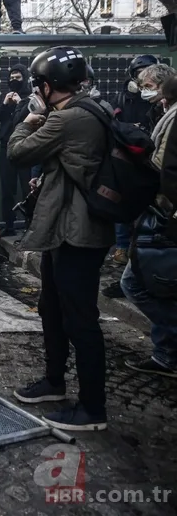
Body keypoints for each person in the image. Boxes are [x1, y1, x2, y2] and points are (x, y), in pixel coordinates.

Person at [8, 46, 113, 431]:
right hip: (66, 228)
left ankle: (92, 408)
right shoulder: (92, 107)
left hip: (78, 232)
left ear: (50, 86)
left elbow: (16, 152)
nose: (37, 90)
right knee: (52, 306)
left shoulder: (68, 118)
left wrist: (30, 120)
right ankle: (54, 381)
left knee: (80, 318)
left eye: (39, 85)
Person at [120, 74, 177, 378]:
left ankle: (169, 348)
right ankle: (166, 355)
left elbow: (162, 169)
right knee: (163, 286)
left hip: (163, 218)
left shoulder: (173, 121)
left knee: (135, 282)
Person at [111, 56, 162, 266]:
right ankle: (122, 248)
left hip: (151, 160)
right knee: (123, 205)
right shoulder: (121, 98)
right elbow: (113, 125)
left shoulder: (160, 103)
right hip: (128, 159)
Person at [0, 64, 32, 235]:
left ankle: (30, 225)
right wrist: (5, 104)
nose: (14, 81)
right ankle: (9, 224)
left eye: (18, 78)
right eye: (12, 78)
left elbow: (28, 118)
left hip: (27, 147)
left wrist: (20, 103)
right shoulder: (4, 97)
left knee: (28, 188)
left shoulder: (31, 98)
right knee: (7, 188)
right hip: (6, 147)